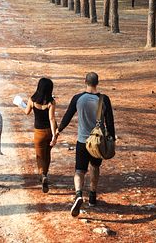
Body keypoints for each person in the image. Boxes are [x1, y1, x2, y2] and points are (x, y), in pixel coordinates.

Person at [54, 72, 115, 216]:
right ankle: (92, 195)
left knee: (79, 170)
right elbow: (110, 122)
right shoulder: (104, 99)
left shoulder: (77, 99)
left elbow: (68, 116)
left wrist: (59, 130)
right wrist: (111, 139)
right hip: (97, 143)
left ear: (85, 82)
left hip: (82, 141)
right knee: (95, 167)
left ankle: (78, 194)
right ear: (97, 83)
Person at [24, 77, 58, 193]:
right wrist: (54, 135)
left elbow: (26, 112)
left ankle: (42, 174)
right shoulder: (51, 102)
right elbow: (52, 119)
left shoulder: (32, 100)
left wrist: (20, 104)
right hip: (48, 131)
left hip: (38, 133)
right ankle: (45, 174)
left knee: (39, 156)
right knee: (47, 154)